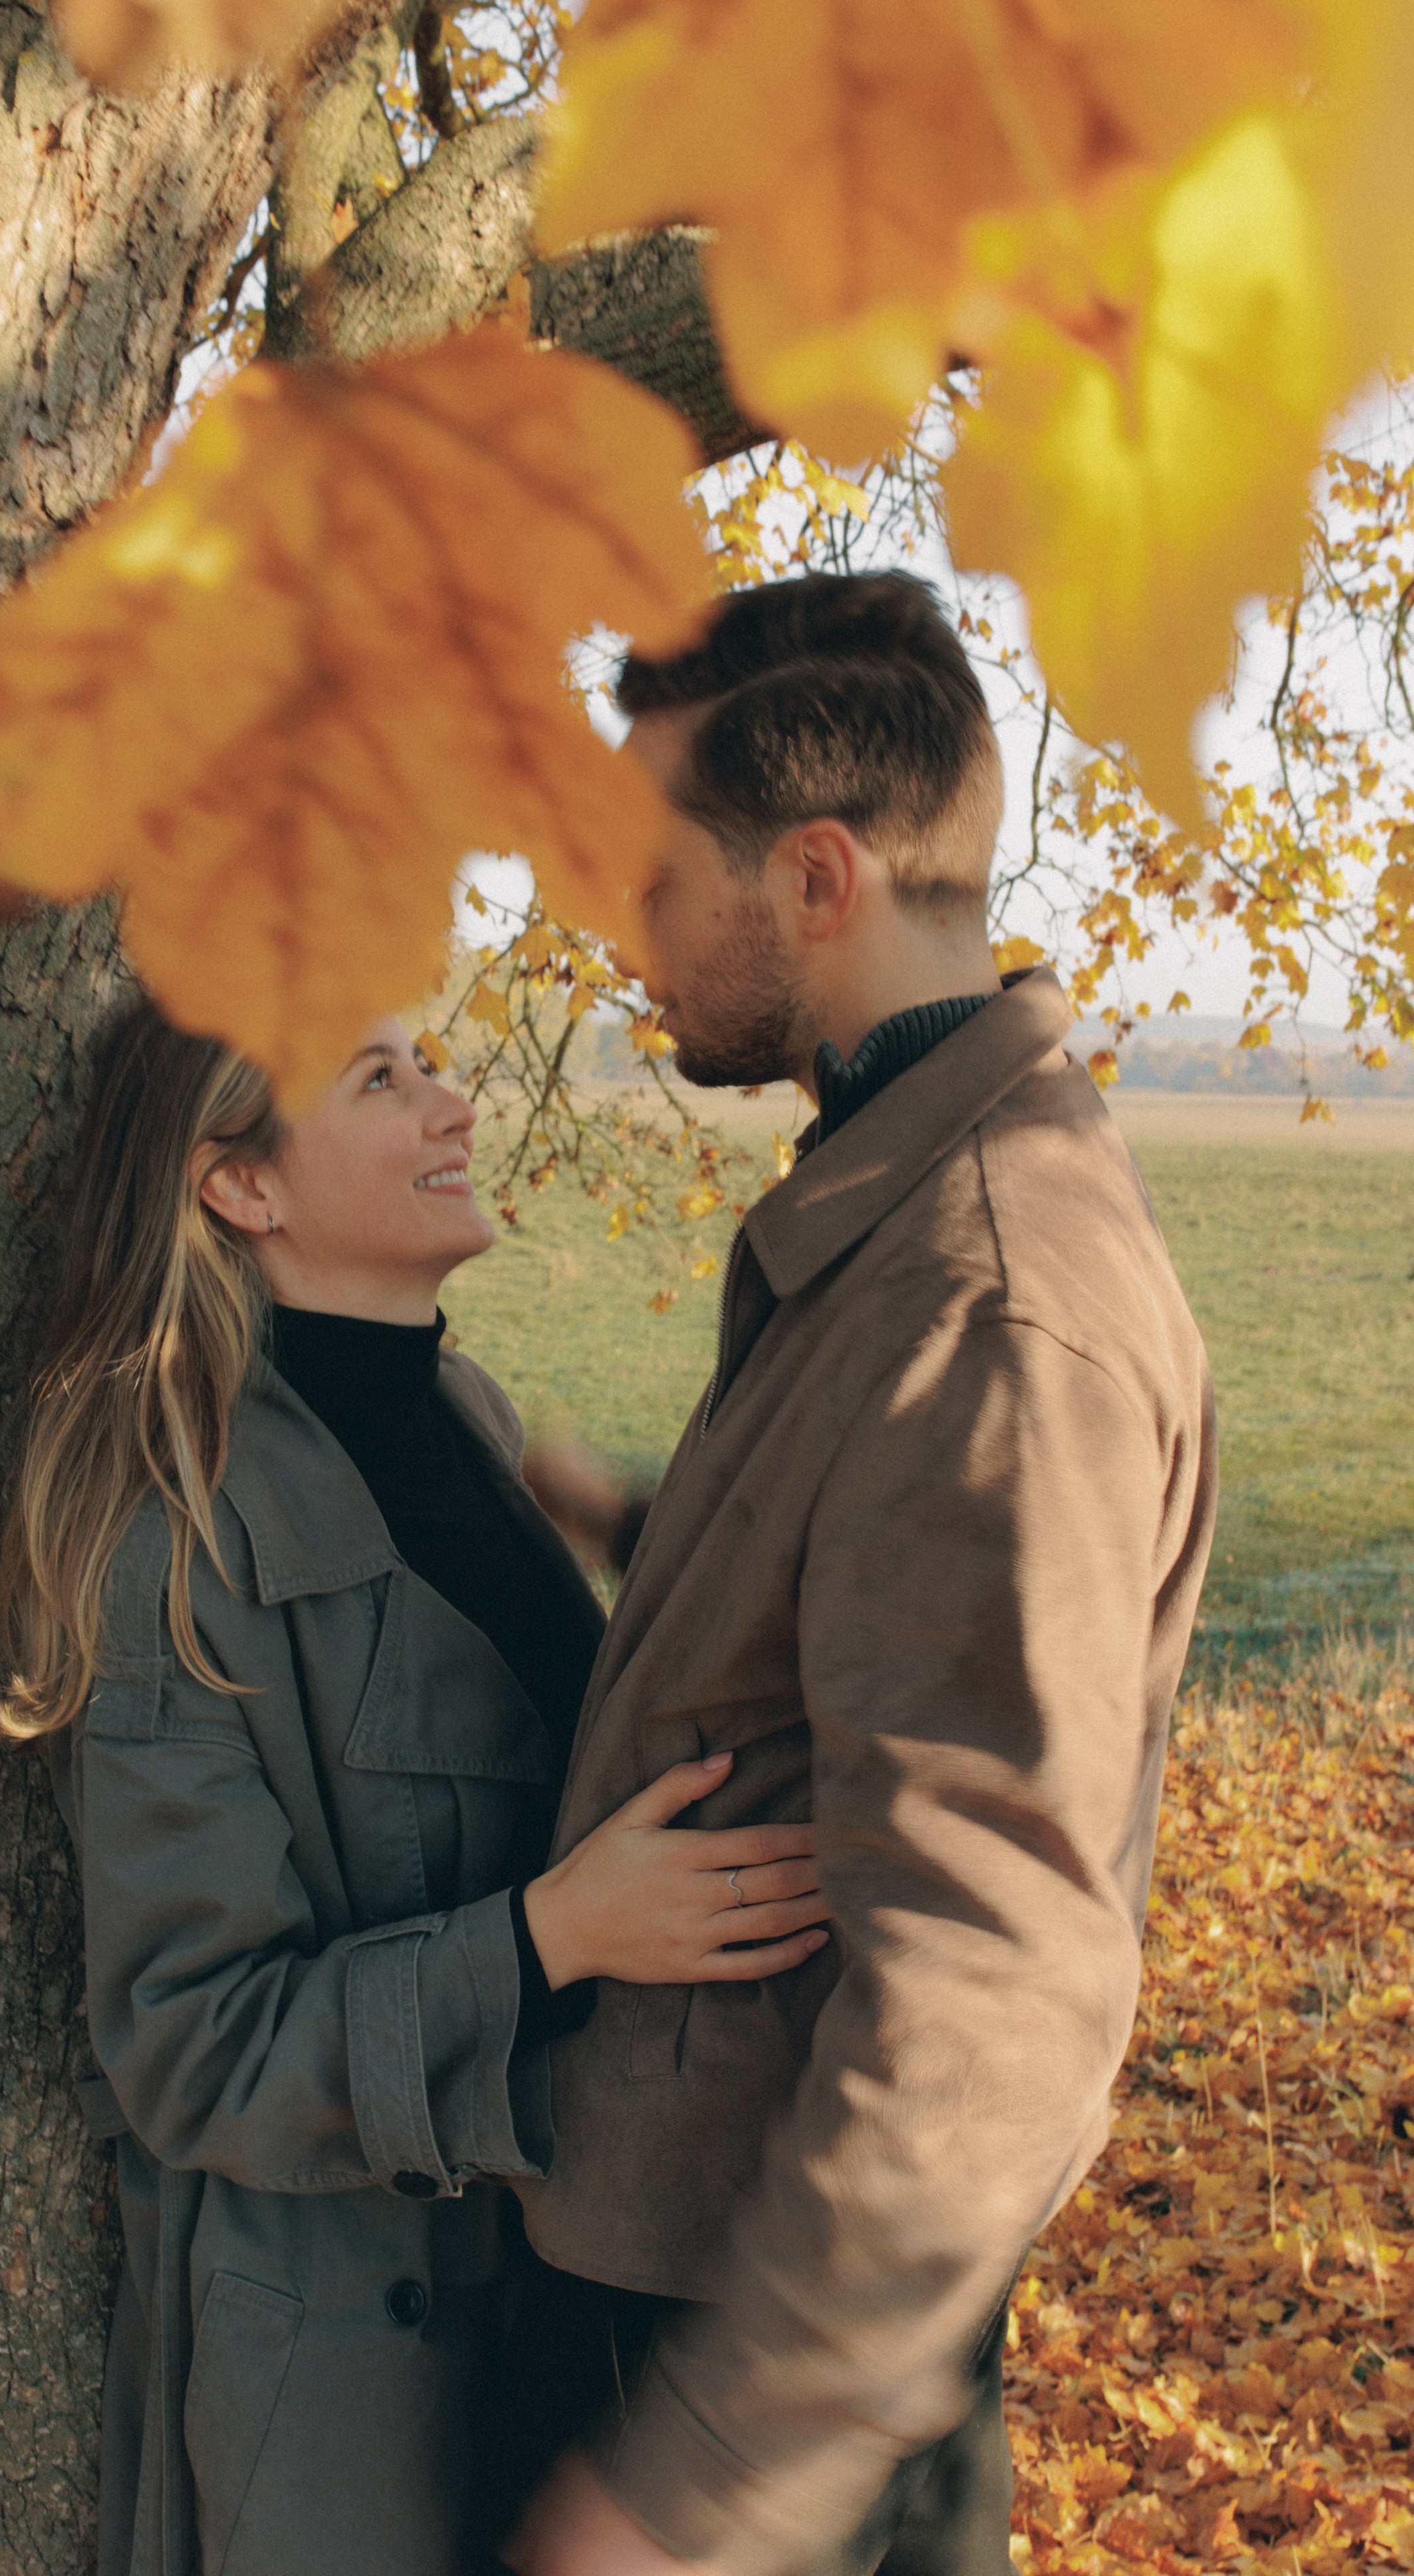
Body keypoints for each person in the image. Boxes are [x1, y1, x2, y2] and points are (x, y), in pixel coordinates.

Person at [504, 571, 1217, 2576]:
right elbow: (884, 1615)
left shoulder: (986, 1298)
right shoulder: (901, 1209)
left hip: (764, 2403)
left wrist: (705, 2487)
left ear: (815, 877)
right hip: (700, 2303)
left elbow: (995, 1984)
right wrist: (650, 1533)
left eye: (652, 879)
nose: (608, 933)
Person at [0, 999, 833, 2576]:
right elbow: (189, 2046)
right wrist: (545, 1942)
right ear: (243, 1187)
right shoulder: (178, 1547)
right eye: (381, 1076)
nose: (452, 1107)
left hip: (572, 2310)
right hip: (350, 2397)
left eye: (432, 1064)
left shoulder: (465, 1424)